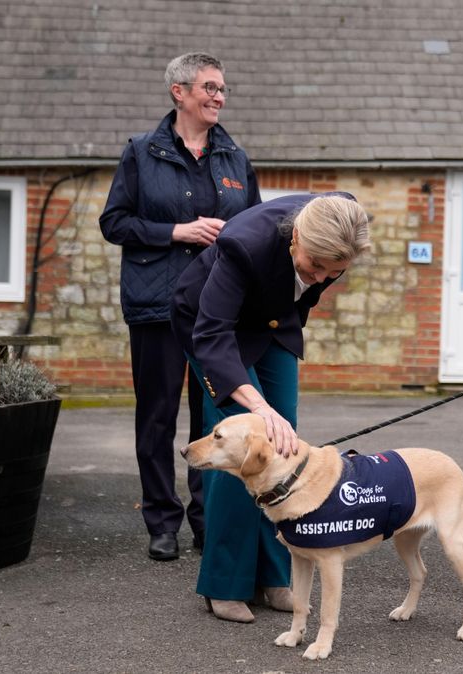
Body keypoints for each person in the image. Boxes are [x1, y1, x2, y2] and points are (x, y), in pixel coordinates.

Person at [171, 193, 371, 623]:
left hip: (275, 321)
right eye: (314, 266)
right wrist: (258, 405)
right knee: (239, 446)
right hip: (212, 327)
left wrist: (308, 281)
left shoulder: (344, 229)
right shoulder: (243, 244)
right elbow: (212, 331)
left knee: (282, 443)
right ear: (296, 236)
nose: (320, 278)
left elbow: (307, 288)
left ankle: (273, 574)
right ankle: (224, 583)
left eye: (332, 273)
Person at [99, 52, 259, 561]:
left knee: (213, 418)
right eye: (209, 87)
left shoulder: (235, 157)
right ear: (180, 92)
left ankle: (206, 521)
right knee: (157, 417)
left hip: (218, 313)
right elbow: (114, 223)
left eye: (222, 89)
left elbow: (257, 228)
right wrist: (177, 231)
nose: (219, 96)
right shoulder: (142, 153)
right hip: (157, 306)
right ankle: (161, 522)